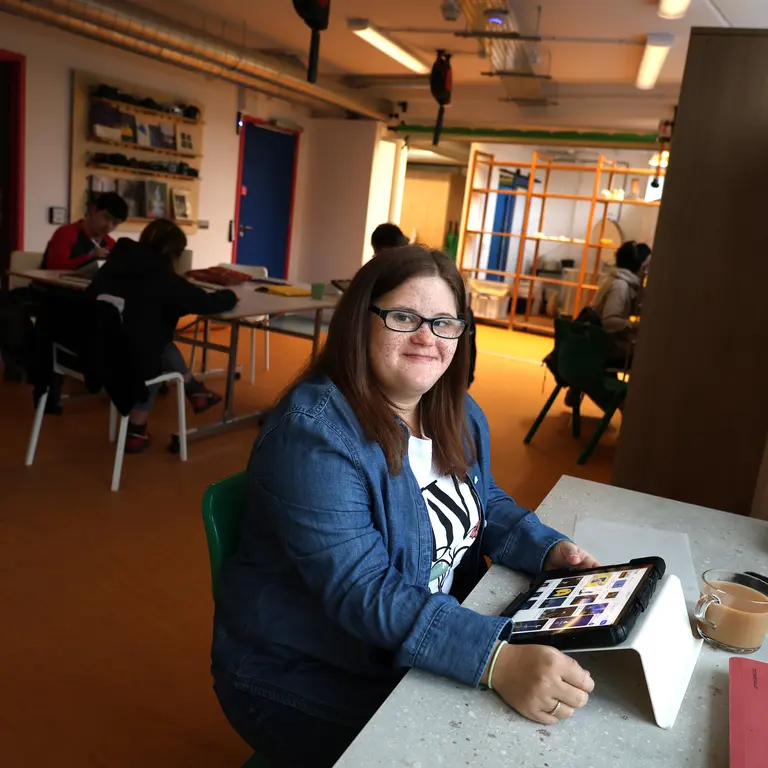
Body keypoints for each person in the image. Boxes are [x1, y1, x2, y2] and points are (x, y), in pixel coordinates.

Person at [211, 247, 598, 768]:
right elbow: (361, 589)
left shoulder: (455, 410)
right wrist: (494, 660)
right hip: (304, 672)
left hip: (404, 644)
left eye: (443, 323)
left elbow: (482, 500)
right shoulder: (313, 437)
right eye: (403, 318)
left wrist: (548, 551)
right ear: (360, 322)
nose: (426, 338)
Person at [86, 219, 238, 452]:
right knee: (151, 350)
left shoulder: (114, 264)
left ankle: (193, 387)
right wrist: (229, 295)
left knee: (152, 337)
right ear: (174, 253)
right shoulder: (164, 279)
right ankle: (135, 431)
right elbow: (206, 302)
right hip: (127, 360)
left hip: (93, 347)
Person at [591, 240, 651, 368]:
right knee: (648, 357)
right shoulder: (620, 286)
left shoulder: (618, 280)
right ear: (641, 266)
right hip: (603, 348)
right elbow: (609, 322)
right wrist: (638, 326)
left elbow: (638, 308)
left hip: (598, 343)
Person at [42, 192, 128, 270]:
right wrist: (92, 258)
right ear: (93, 210)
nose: (109, 226)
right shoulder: (67, 233)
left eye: (115, 223)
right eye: (106, 218)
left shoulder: (110, 243)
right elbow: (54, 267)